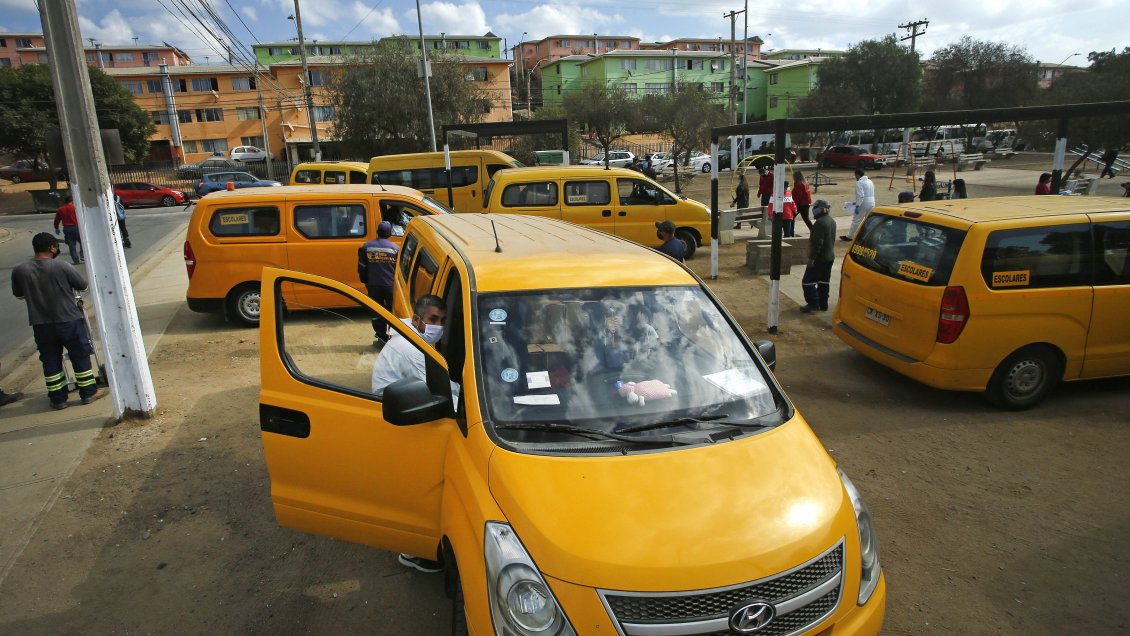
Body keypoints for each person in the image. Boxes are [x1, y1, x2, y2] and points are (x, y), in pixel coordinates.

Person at [11, 232, 108, 410]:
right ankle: (88, 392)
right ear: (52, 248)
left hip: (41, 324)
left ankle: (58, 398)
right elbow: (83, 285)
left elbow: (18, 295)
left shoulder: (20, 270)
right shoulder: (62, 266)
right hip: (68, 320)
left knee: (50, 359)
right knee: (79, 355)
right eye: (56, 246)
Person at [371, 294, 446, 399]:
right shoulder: (411, 349)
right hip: (391, 407)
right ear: (416, 319)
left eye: (442, 321)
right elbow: (436, 390)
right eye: (433, 319)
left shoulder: (411, 335)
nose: (439, 326)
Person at [357, 221, 398, 346]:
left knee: (376, 311)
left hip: (373, 285)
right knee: (392, 312)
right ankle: (393, 340)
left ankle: (381, 338)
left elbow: (362, 267)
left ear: (377, 232)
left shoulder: (366, 247)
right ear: (390, 233)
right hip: (391, 286)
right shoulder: (396, 249)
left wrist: (365, 281)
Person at [801, 200, 837, 313]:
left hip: (819, 259)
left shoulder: (820, 223)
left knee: (807, 282)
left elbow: (817, 243)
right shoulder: (831, 221)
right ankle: (823, 304)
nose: (813, 210)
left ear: (821, 209)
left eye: (815, 207)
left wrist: (812, 259)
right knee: (824, 282)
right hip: (829, 257)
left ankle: (813, 303)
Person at [842, 167, 874, 241]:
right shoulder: (870, 181)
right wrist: (856, 202)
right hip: (872, 202)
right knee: (868, 220)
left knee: (856, 220)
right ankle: (869, 235)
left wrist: (857, 205)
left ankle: (850, 236)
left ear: (857, 174)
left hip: (863, 203)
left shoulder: (859, 182)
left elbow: (861, 195)